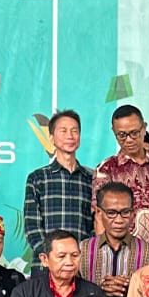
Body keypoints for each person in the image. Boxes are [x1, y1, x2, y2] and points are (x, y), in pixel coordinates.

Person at [80, 182, 149, 297]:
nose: (119, 220)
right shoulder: (82, 250)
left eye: (125, 212)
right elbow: (70, 294)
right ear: (99, 213)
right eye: (111, 213)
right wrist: (98, 291)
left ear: (133, 213)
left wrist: (133, 292)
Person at [94, 104, 149, 243]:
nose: (129, 140)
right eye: (122, 135)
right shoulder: (106, 170)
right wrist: (105, 251)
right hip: (122, 248)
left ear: (144, 128)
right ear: (114, 132)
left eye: (134, 133)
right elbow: (100, 217)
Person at [23, 109, 95, 257]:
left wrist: (84, 256)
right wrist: (50, 257)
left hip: (81, 262)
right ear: (51, 138)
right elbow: (32, 226)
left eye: (74, 131)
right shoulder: (37, 178)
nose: (70, 136)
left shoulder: (92, 178)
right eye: (63, 131)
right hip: (46, 263)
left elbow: (97, 224)